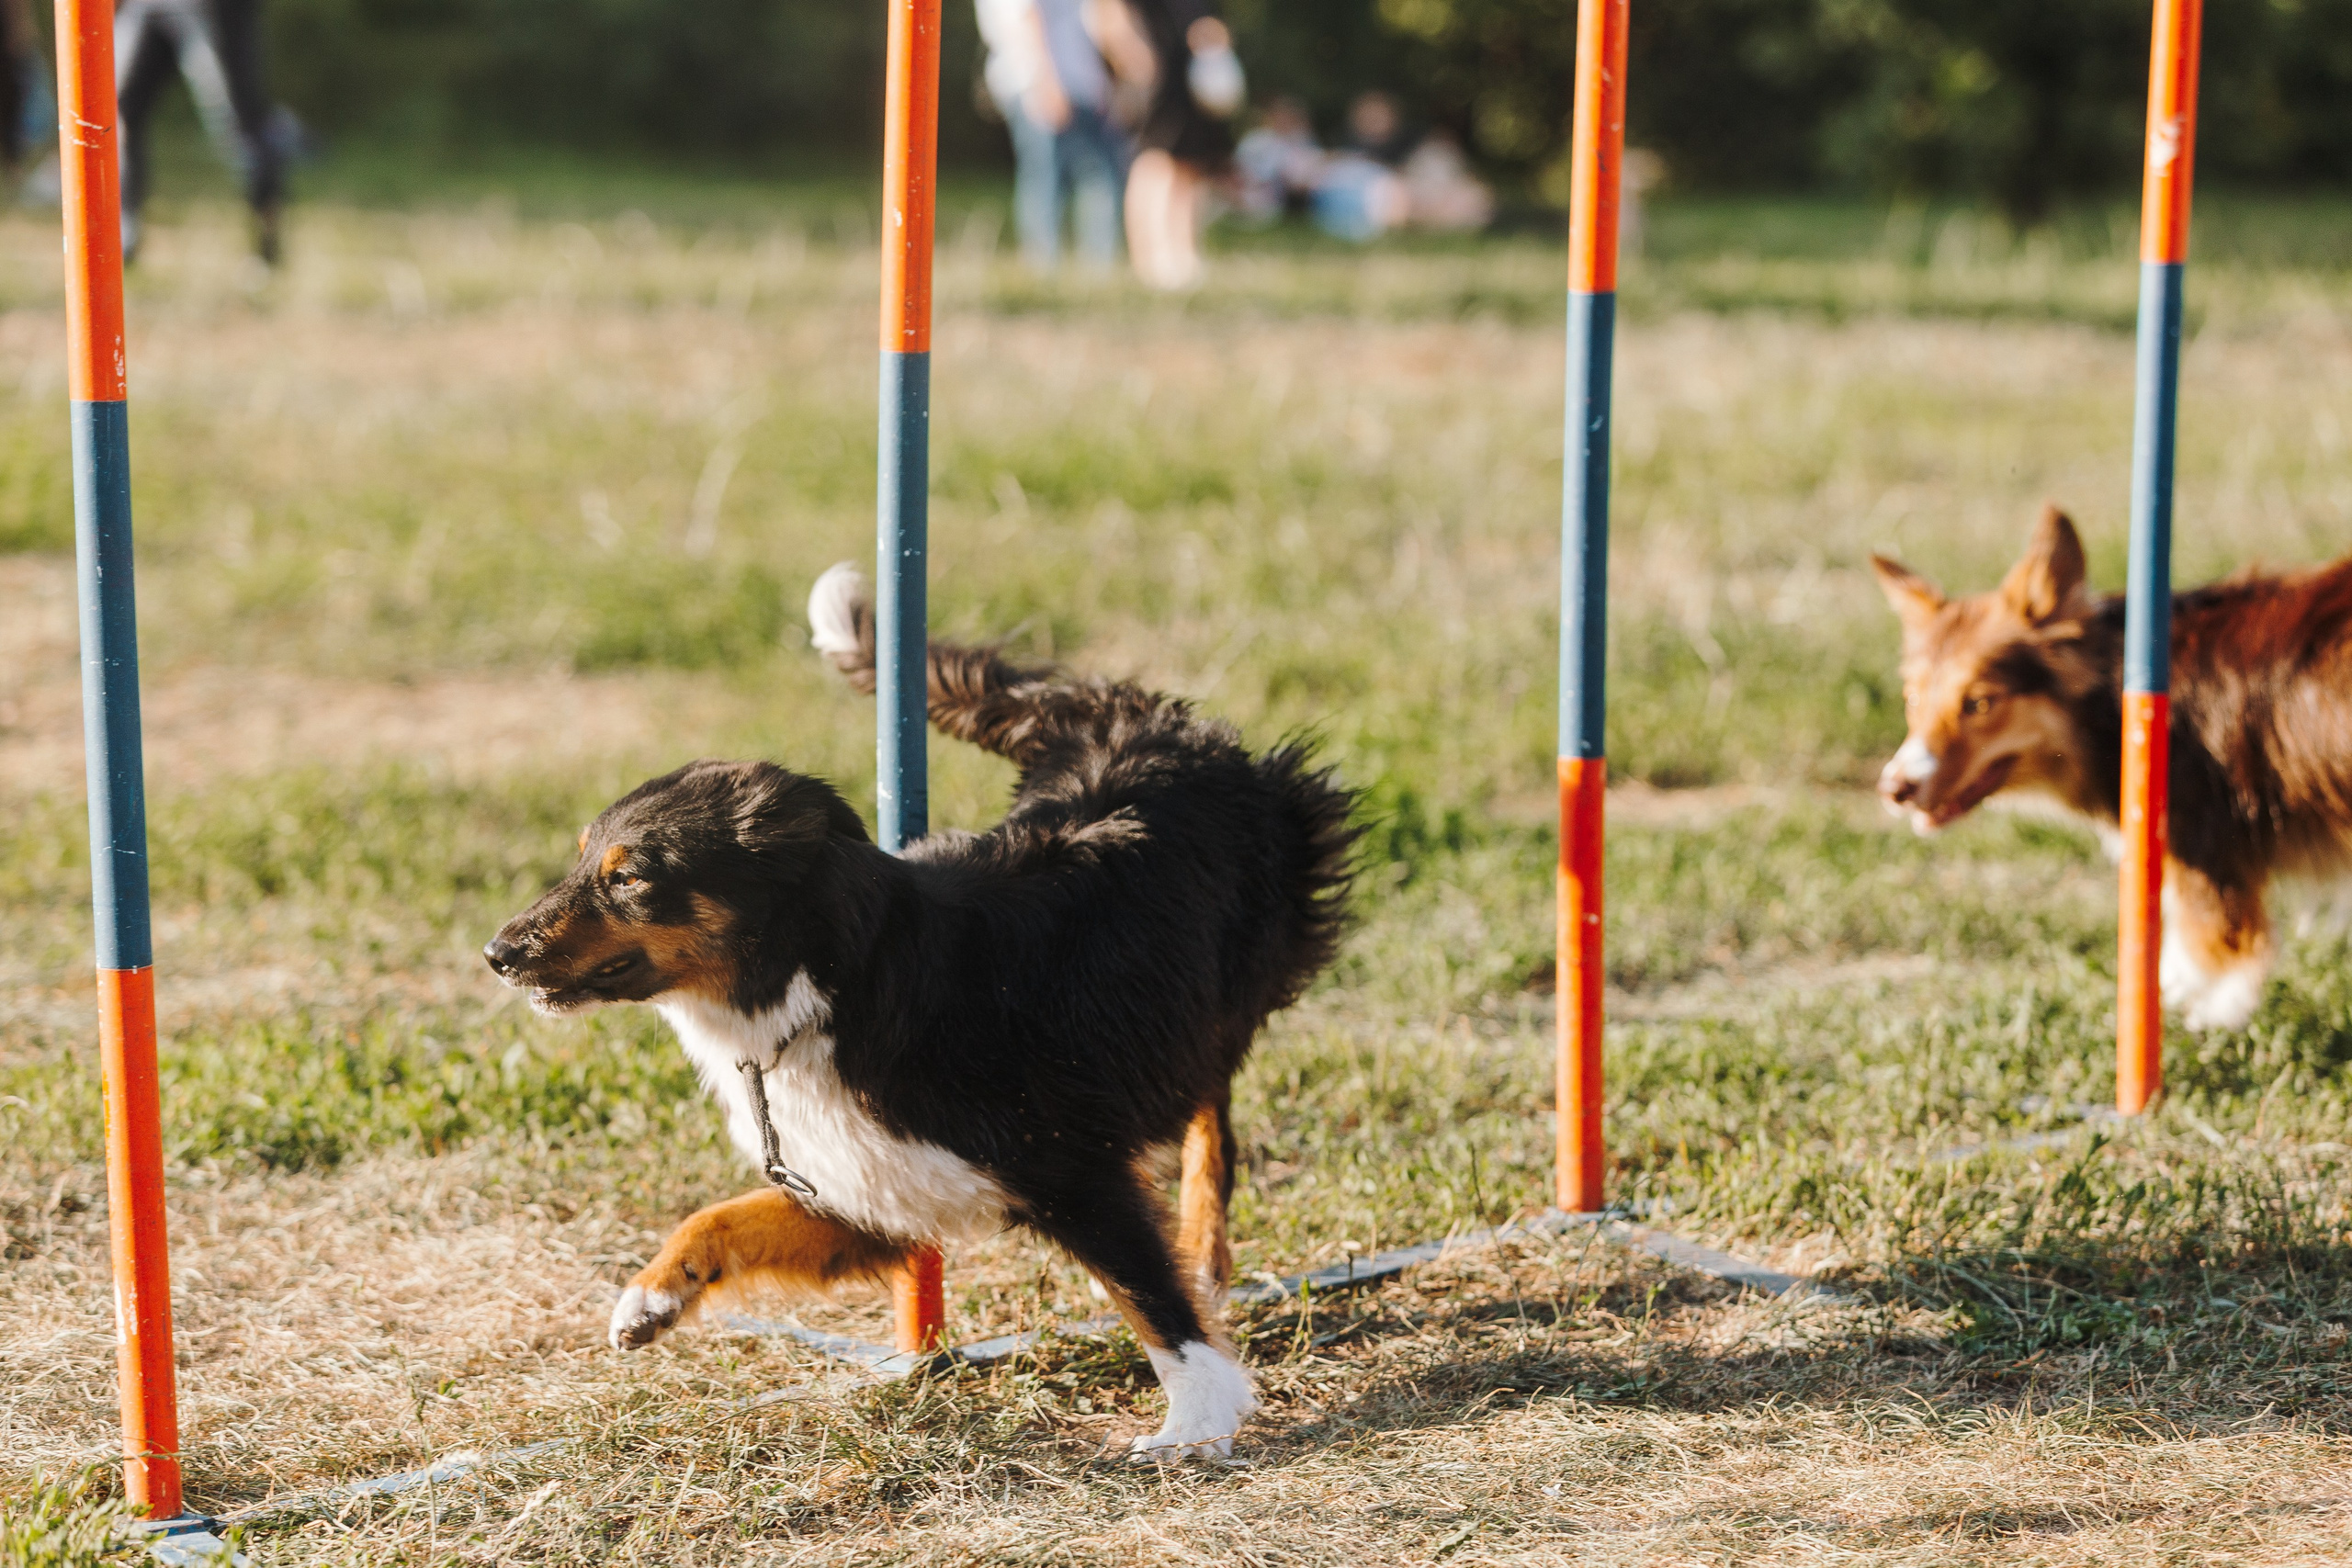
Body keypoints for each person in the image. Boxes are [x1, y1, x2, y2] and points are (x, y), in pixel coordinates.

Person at [113, 0, 291, 264]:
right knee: (119, 107)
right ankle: (124, 236)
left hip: (213, 8)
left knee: (239, 123)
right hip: (147, 5)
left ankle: (267, 240)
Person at [977, 0, 1127, 271]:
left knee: (1099, 177)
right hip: (1043, 83)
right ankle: (1044, 269)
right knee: (1048, 178)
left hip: (1085, 85)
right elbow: (1023, 15)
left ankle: (1098, 270)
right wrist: (1044, 80)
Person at [1102, 0, 1240, 291]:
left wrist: (1215, 42)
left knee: (1190, 164)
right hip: (1156, 72)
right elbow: (1107, 10)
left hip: (1193, 74)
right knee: (1155, 161)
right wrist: (1134, 55)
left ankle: (1183, 257)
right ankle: (1149, 261)